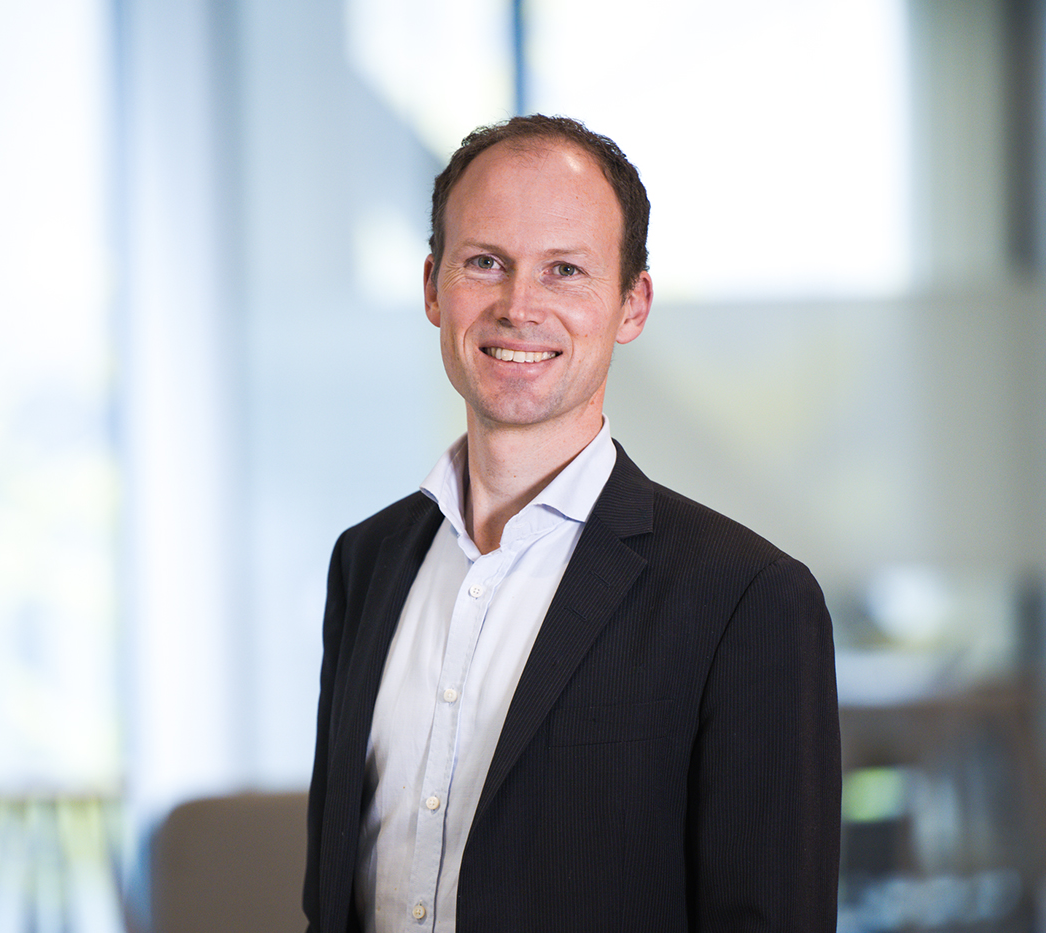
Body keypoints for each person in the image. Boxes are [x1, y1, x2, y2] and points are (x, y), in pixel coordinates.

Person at [304, 115, 840, 932]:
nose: (520, 306)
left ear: (632, 304)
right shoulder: (367, 561)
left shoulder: (746, 599)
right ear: (433, 287)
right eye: (486, 262)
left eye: (565, 270)